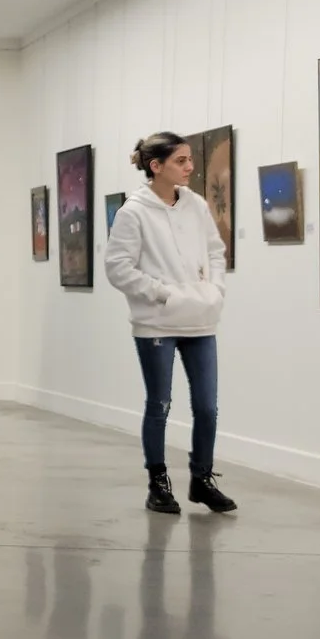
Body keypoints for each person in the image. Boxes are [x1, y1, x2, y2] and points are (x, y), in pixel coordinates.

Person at [105, 131, 239, 516]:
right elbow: (117, 268)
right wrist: (162, 294)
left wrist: (215, 290)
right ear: (156, 166)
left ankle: (201, 479)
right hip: (156, 324)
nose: (190, 167)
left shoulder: (195, 205)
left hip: (200, 319)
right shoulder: (133, 212)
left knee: (207, 407)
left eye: (189, 160)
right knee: (160, 404)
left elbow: (216, 251)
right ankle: (158, 483)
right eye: (181, 161)